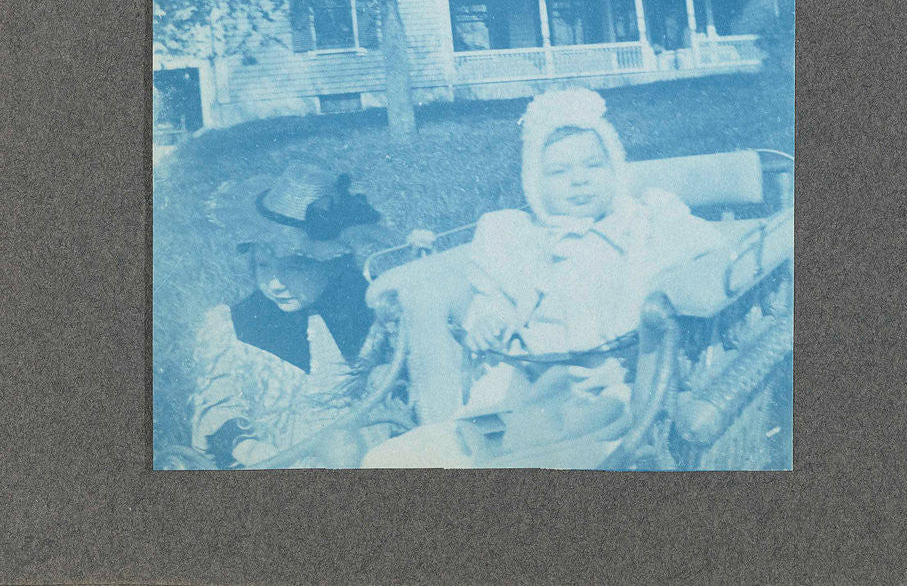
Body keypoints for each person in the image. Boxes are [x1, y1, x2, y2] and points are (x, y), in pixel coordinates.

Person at [361, 87, 723, 468]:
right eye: (559, 171)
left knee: (575, 437)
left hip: (608, 379)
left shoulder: (640, 227)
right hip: (529, 376)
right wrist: (490, 319)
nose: (578, 180)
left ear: (615, 169)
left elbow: (702, 243)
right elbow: (496, 295)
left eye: (593, 166)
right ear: (536, 182)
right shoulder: (520, 238)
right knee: (482, 432)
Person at [189, 161, 388, 469]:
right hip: (278, 456)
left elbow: (395, 372)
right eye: (264, 266)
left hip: (362, 450)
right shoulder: (238, 326)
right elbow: (220, 405)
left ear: (331, 265)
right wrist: (251, 450)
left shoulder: (363, 306)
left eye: (295, 268)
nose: (275, 284)